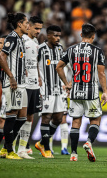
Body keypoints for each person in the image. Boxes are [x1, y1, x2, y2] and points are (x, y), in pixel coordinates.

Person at [56, 23, 107, 162]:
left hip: (75, 91)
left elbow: (59, 66)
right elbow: (101, 74)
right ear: (93, 36)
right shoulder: (97, 51)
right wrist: (105, 91)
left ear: (81, 35)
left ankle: (73, 154)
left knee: (75, 122)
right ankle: (89, 142)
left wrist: (67, 83)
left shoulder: (71, 49)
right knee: (95, 119)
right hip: (91, 92)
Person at [0, 13, 29, 159]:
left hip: (21, 83)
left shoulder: (20, 39)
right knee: (11, 115)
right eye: (26, 23)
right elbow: (1, 57)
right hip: (13, 84)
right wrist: (11, 77)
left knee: (22, 117)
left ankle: (5, 148)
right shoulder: (12, 38)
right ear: (19, 24)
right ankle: (9, 151)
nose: (27, 25)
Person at [14, 16, 43, 159]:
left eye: (40, 29)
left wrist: (38, 76)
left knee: (30, 117)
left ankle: (22, 149)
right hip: (23, 83)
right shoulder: (22, 40)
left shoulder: (36, 42)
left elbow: (35, 62)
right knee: (19, 116)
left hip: (34, 84)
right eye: (36, 28)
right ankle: (10, 147)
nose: (38, 31)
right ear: (28, 26)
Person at [35, 25, 66, 158]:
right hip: (46, 89)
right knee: (46, 117)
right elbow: (33, 63)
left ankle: (42, 142)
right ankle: (47, 149)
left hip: (58, 89)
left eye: (59, 35)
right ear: (48, 36)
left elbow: (63, 66)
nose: (58, 38)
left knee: (58, 118)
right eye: (55, 35)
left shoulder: (60, 49)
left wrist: (66, 83)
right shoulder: (41, 49)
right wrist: (37, 77)